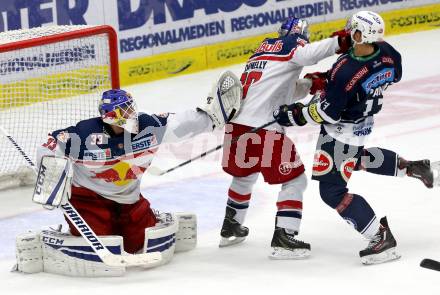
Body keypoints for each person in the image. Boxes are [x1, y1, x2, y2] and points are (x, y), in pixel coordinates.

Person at [14, 71, 242, 276]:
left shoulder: (149, 125)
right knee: (100, 240)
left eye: (129, 109)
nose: (129, 116)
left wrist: (213, 116)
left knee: (137, 242)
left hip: (129, 199)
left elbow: (182, 122)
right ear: (108, 116)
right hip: (89, 200)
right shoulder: (84, 134)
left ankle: (152, 217)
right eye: (122, 112)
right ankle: (50, 241)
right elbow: (50, 144)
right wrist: (52, 174)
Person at [273, 11, 433, 265]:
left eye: (352, 30)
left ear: (359, 35)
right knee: (356, 159)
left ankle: (380, 238)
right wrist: (327, 82)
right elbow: (381, 76)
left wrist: (294, 115)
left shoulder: (345, 70)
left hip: (340, 133)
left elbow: (328, 112)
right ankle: (411, 167)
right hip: (363, 124)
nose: (348, 33)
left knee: (332, 191)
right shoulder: (388, 52)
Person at [219, 16, 352, 259]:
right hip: (263, 130)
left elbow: (278, 89)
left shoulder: (262, 52)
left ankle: (230, 226)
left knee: (244, 175)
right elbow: (308, 54)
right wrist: (340, 42)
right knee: (295, 179)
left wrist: (309, 84)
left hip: (236, 126)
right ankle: (285, 236)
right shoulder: (292, 45)